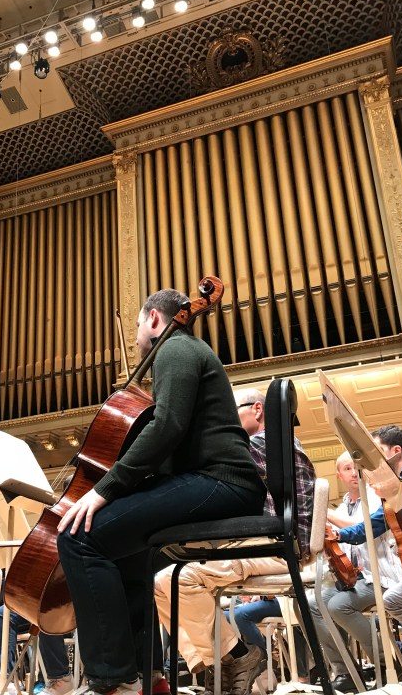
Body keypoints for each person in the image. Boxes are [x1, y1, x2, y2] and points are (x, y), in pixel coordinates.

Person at [55, 289, 267, 695]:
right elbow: (175, 440)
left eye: (137, 326)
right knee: (130, 551)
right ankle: (149, 678)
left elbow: (166, 428)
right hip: (220, 482)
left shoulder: (175, 348)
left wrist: (105, 490)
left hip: (223, 482)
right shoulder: (186, 351)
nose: (136, 337)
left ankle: (114, 682)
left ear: (154, 319)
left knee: (79, 537)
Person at [152, 388, 315, 694]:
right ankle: (229, 661)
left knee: (176, 580)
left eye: (231, 412)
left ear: (257, 409)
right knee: (164, 582)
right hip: (264, 544)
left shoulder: (262, 444)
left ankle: (238, 658)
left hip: (276, 547)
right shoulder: (269, 446)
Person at [313, 449, 402, 692]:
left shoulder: (376, 497)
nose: (353, 473)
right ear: (339, 475)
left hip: (385, 576)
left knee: (338, 606)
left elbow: (362, 527)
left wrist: (329, 516)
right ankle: (346, 671)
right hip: (359, 578)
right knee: (314, 603)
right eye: (347, 469)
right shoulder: (344, 505)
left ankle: (388, 665)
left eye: (356, 467)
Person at [0, 607, 73, 695]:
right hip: (32, 604)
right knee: (2, 613)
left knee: (47, 611)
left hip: (61, 606)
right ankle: (4, 678)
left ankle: (61, 680)